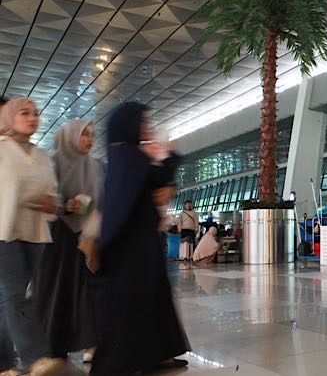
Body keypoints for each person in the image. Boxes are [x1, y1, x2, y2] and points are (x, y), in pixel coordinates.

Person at [90, 102, 190, 375]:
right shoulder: (130, 157)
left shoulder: (125, 156)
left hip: (137, 246)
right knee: (136, 302)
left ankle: (155, 354)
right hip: (132, 249)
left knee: (150, 297)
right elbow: (141, 193)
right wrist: (170, 156)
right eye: (143, 122)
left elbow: (152, 184)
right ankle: (122, 362)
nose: (148, 127)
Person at [0, 97, 67, 376]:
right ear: (8, 117)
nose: (32, 118)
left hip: (34, 232)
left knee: (8, 299)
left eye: (35, 113)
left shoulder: (41, 156)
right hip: (3, 232)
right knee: (17, 295)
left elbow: (53, 194)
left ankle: (3, 363)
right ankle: (36, 358)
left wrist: (54, 204)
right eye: (24, 113)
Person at [35, 119, 103, 363]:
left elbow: (98, 202)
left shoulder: (94, 166)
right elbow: (42, 197)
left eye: (92, 135)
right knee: (56, 289)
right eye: (84, 135)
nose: (90, 139)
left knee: (85, 289)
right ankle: (53, 345)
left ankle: (91, 341)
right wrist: (65, 205)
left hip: (82, 235)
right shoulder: (50, 161)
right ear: (70, 137)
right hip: (55, 235)